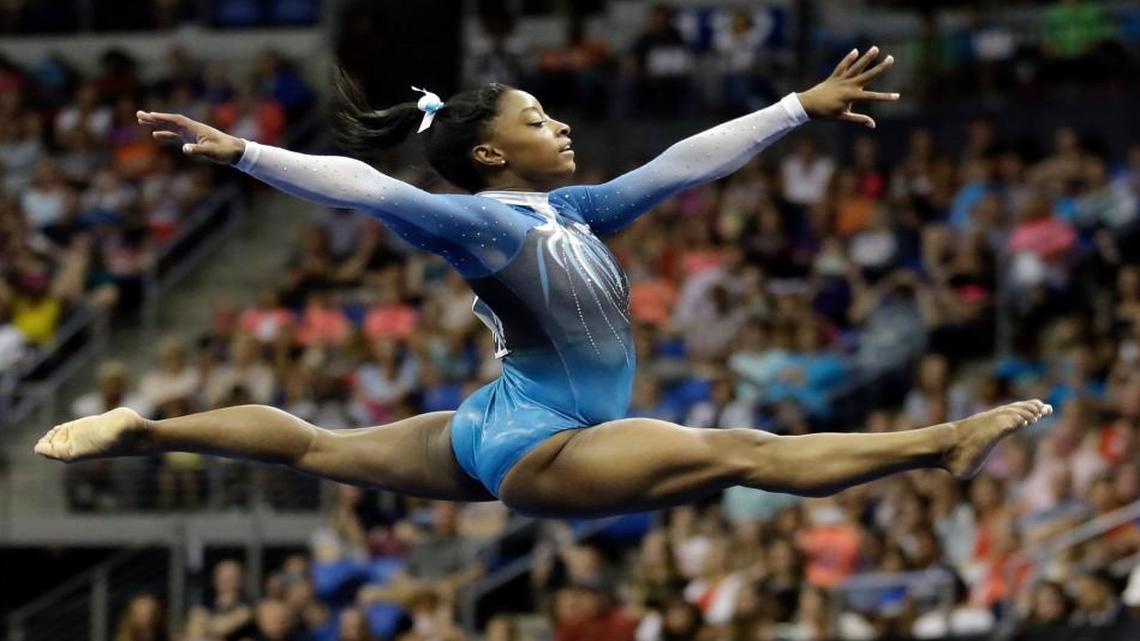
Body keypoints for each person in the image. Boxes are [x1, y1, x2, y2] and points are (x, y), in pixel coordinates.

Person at [36, 48, 1053, 519]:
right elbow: (366, 186)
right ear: (488, 153)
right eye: (536, 118)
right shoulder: (480, 224)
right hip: (542, 442)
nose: (560, 125)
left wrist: (794, 107)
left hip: (493, 421)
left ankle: (146, 429)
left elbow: (684, 162)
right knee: (740, 451)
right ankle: (941, 442)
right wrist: (248, 153)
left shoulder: (576, 210)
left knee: (317, 444)